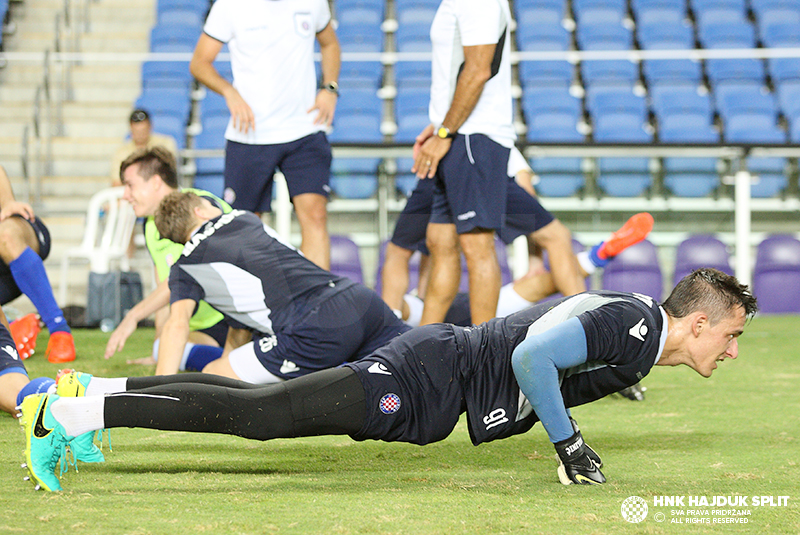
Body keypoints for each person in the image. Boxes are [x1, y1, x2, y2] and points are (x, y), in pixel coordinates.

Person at [18, 268, 757, 491]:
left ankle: (88, 395)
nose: (731, 352)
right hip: (428, 374)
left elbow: (566, 352)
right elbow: (534, 355)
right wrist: (569, 445)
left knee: (252, 402)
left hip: (435, 379)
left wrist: (608, 384)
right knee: (260, 417)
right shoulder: (633, 323)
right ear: (699, 321)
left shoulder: (636, 341)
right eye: (731, 335)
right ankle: (63, 418)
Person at [150, 190, 409, 381]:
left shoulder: (185, 267)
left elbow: (177, 324)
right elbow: (241, 325)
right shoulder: (244, 219)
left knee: (213, 376)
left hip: (313, 328)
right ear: (200, 211)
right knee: (420, 355)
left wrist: (159, 388)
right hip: (357, 298)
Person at [189, 0, 341, 270]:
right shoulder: (229, 6)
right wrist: (230, 92)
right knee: (246, 227)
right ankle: (252, 308)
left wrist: (329, 88)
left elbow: (329, 43)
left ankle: (320, 305)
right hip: (250, 135)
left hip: (304, 130)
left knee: (316, 216)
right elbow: (200, 63)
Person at [412, 0, 516, 325]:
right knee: (439, 241)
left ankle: (485, 356)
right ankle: (423, 353)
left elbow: (478, 68)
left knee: (476, 245)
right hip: (457, 133)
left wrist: (445, 131)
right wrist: (439, 126)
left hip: (473, 135)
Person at [104, 147, 232, 372]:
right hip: (204, 327)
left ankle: (245, 359)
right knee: (164, 348)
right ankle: (236, 359)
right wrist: (159, 347)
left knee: (193, 359)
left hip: (235, 317)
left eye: (130, 185)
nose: (125, 195)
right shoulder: (150, 224)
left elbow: (182, 275)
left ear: (155, 182)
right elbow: (164, 285)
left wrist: (133, 316)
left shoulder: (199, 206)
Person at [0, 165, 76, 363]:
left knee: (5, 235)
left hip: (15, 232)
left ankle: (59, 331)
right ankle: (11, 327)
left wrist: (7, 202)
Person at [109, 109, 178, 187]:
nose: (140, 135)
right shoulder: (121, 152)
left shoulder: (165, 143)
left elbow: (169, 174)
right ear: (131, 129)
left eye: (143, 130)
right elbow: (116, 182)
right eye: (137, 131)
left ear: (150, 127)